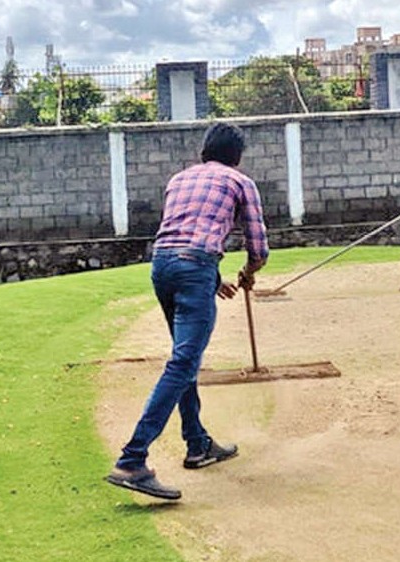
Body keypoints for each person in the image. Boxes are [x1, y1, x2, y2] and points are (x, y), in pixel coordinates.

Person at [106, 122, 269, 500]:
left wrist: (213, 279)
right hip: (194, 268)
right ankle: (132, 459)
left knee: (185, 360)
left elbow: (182, 234)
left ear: (204, 151)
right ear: (237, 156)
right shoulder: (240, 182)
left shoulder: (178, 180)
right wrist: (247, 274)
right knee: (183, 363)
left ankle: (197, 443)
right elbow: (258, 248)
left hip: (163, 267)